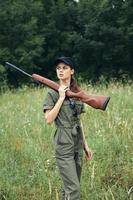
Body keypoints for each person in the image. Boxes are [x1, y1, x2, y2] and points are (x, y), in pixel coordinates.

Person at [43, 56, 92, 200]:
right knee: (74, 189)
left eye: (65, 68)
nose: (61, 71)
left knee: (69, 188)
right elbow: (49, 119)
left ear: (72, 71)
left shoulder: (77, 93)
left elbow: (79, 121)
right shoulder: (52, 93)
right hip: (63, 143)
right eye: (58, 68)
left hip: (77, 142)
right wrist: (61, 98)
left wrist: (85, 146)